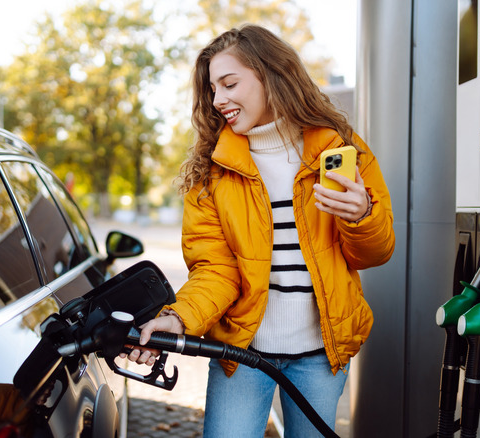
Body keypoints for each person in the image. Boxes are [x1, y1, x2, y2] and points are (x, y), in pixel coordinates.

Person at [125, 24, 395, 437]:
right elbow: (215, 271)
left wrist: (360, 216)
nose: (219, 100)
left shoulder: (340, 149)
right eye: (213, 89)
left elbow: (374, 254)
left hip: (321, 356)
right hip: (240, 352)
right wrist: (178, 320)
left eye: (229, 84)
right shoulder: (211, 173)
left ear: (271, 74)